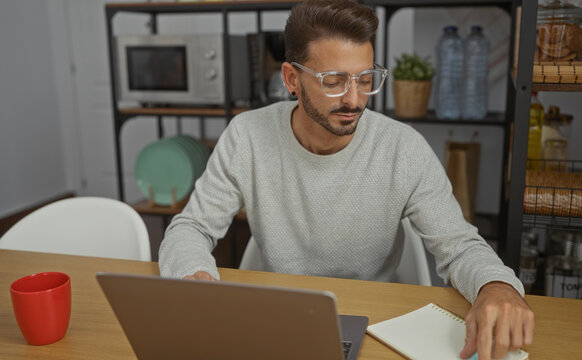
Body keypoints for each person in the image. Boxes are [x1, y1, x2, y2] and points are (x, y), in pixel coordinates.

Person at [159, 1, 534, 359]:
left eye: (365, 79)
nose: (354, 100)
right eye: (334, 81)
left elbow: (460, 245)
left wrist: (495, 286)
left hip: (376, 324)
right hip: (278, 321)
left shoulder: (403, 148)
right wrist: (194, 278)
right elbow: (191, 227)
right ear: (292, 78)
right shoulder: (246, 136)